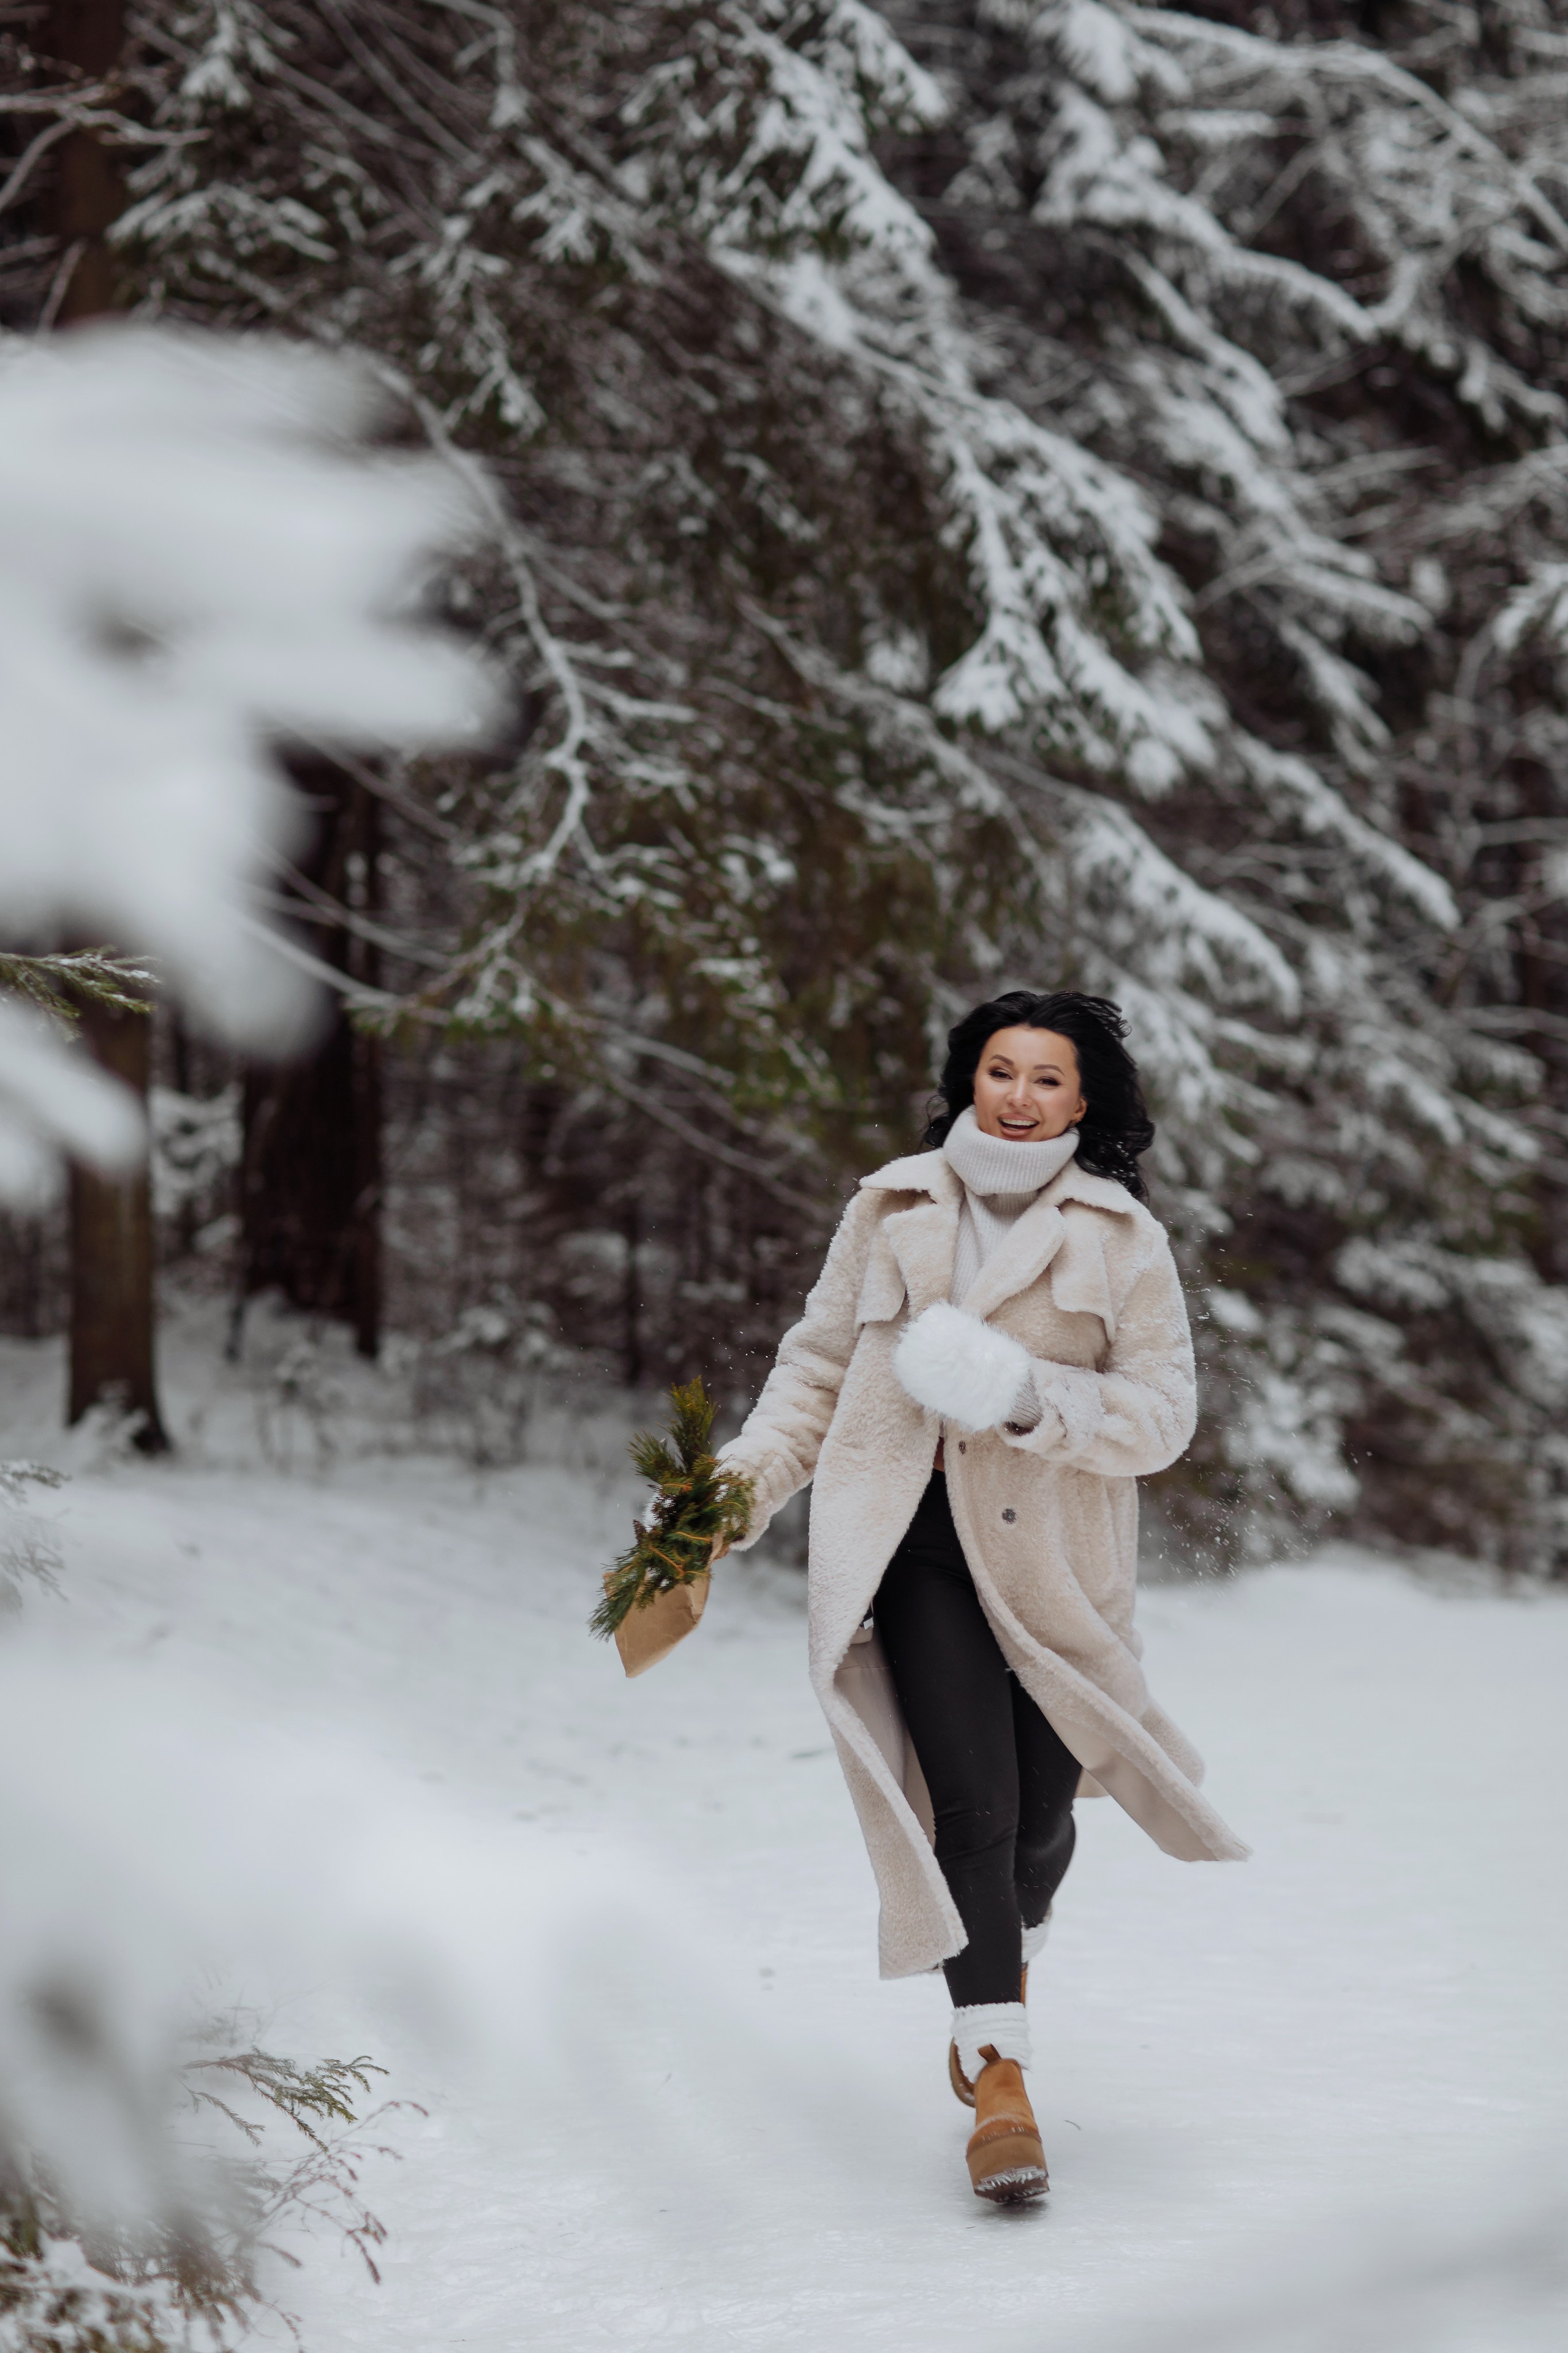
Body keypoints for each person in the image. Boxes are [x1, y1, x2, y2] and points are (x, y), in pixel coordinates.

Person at [712, 990, 1247, 2205]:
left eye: (1046, 1077)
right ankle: (999, 2077)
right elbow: (813, 1372)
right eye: (1000, 1070)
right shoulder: (890, 1205)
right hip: (913, 1541)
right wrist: (733, 1494)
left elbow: (1163, 1418)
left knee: (1041, 1823)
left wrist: (1020, 1393)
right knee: (974, 1805)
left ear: (1084, 1100)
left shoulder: (1122, 1236)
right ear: (968, 1079)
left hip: (1055, 1564)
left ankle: (1006, 1944)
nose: (1018, 1095)